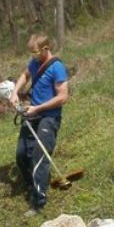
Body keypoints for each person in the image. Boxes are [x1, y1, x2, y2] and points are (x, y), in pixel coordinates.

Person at [9, 34, 69, 216]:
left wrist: (38, 108)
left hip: (48, 117)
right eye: (31, 54)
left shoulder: (57, 67)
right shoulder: (35, 62)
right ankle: (31, 184)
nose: (33, 57)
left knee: (39, 156)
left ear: (45, 49)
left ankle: (38, 201)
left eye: (35, 53)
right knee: (21, 154)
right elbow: (25, 75)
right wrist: (14, 92)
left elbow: (63, 97)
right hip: (32, 114)